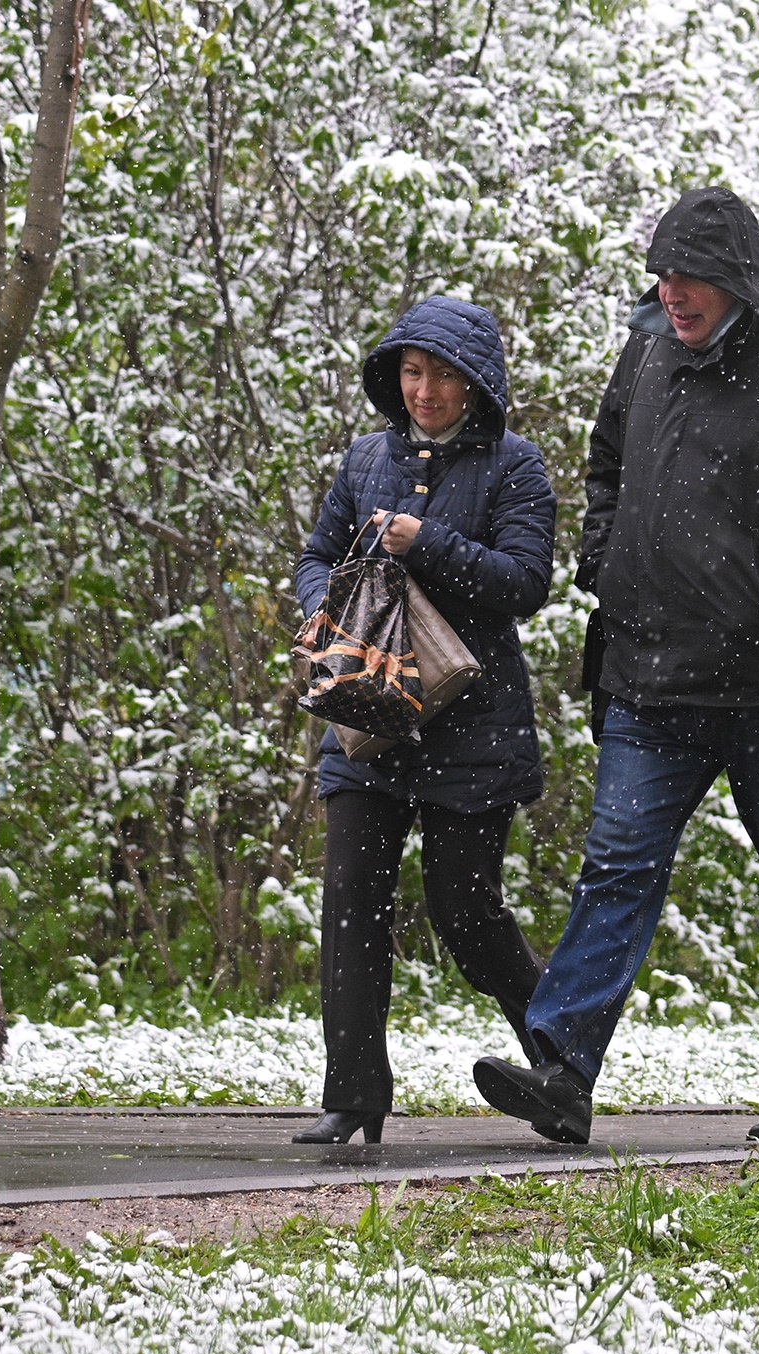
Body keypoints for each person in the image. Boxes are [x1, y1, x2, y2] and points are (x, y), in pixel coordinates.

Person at [470, 187, 759, 1145]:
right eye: (662, 275)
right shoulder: (648, 351)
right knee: (616, 868)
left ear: (738, 278)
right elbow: (606, 464)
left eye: (690, 276)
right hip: (650, 674)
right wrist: (603, 558)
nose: (671, 293)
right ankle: (562, 1070)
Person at [291, 297, 556, 1145]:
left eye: (443, 374)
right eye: (412, 372)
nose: (425, 390)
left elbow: (526, 581)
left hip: (474, 732)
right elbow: (316, 554)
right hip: (366, 716)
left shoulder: (517, 466)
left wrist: (426, 542)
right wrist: (323, 605)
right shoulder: (365, 457)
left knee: (466, 913)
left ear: (476, 383)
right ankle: (353, 1096)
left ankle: (561, 1061)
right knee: (350, 903)